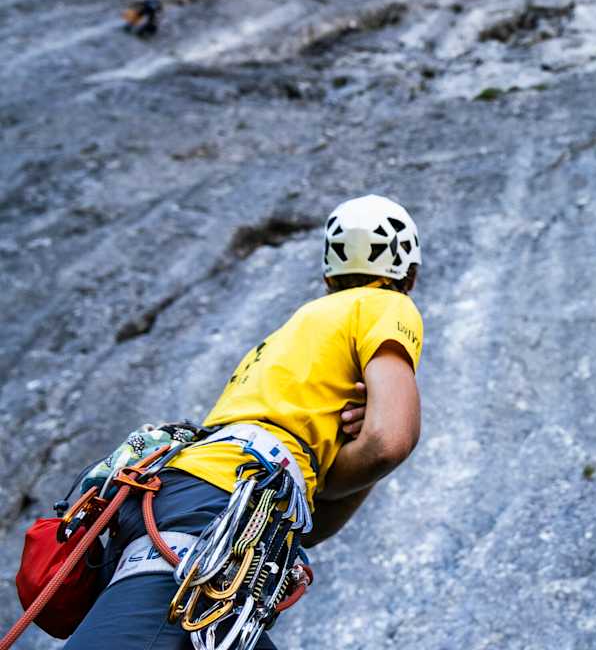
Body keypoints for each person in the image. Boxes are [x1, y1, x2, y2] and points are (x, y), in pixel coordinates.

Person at [63, 193, 425, 649]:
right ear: (408, 274)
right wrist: (370, 435)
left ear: (328, 276)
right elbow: (392, 441)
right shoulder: (387, 306)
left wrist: (348, 444)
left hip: (189, 497)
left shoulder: (291, 334)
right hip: (218, 507)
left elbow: (313, 522)